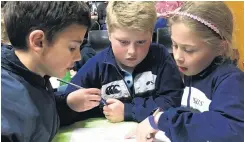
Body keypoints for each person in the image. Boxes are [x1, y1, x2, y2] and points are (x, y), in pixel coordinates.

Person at [125, 1, 244, 142]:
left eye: (188, 50)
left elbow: (233, 129)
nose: (178, 57)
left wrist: (162, 120)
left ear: (220, 48)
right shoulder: (194, 71)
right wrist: (160, 123)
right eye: (174, 45)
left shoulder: (231, 81)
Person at [64, 1, 184, 123]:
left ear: (151, 35)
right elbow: (65, 104)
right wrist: (71, 104)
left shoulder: (160, 57)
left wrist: (128, 111)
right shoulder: (96, 65)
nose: (132, 52)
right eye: (123, 42)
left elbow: (174, 100)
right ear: (109, 35)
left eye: (141, 42)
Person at [1, 2, 103, 142]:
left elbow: (37, 112)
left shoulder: (35, 76)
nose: (78, 56)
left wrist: (67, 105)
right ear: (38, 42)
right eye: (72, 48)